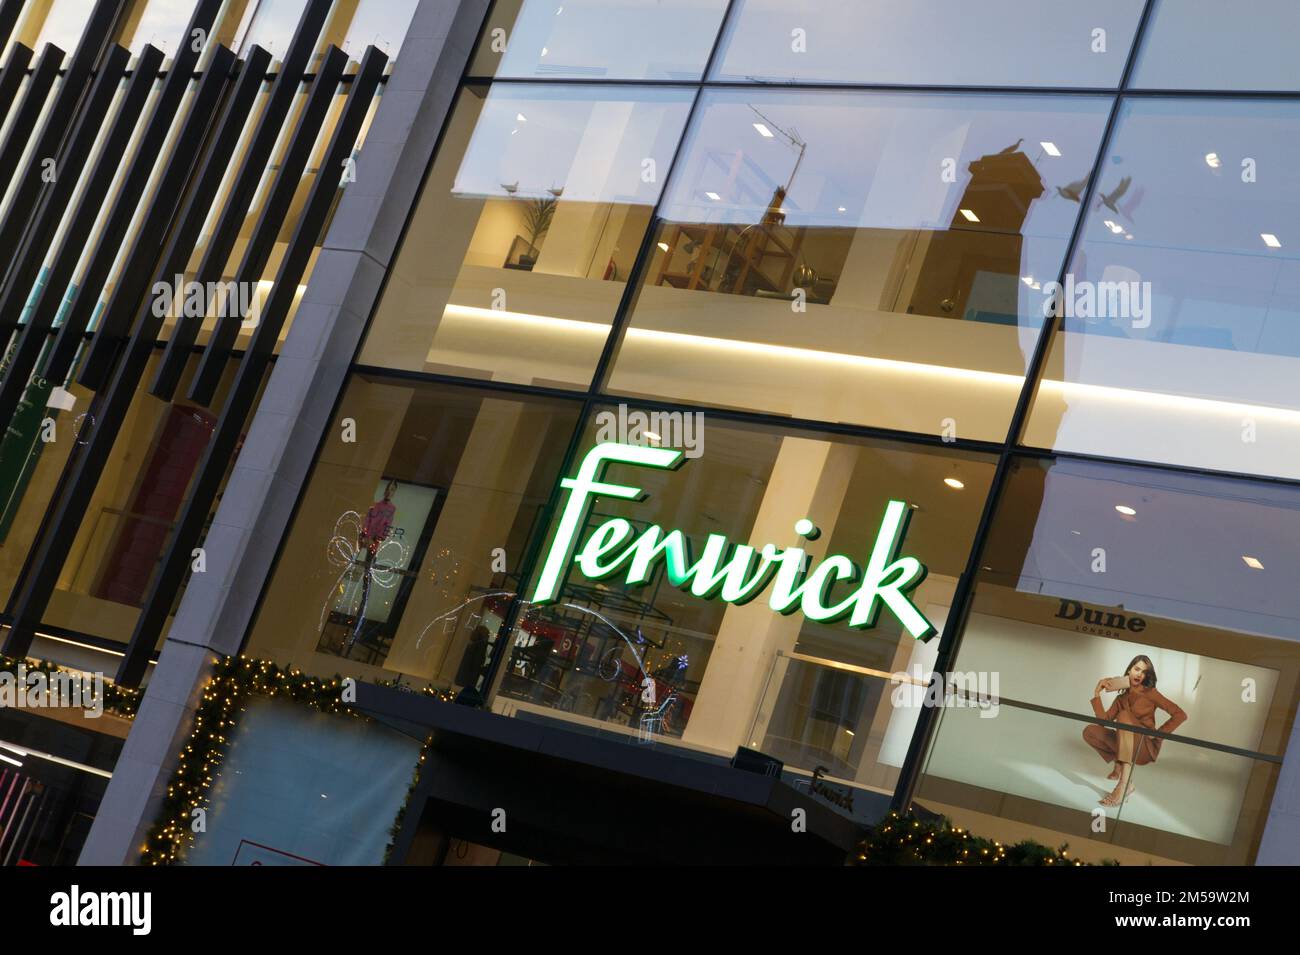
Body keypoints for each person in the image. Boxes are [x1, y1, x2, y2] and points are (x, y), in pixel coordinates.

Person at [1083, 654, 1187, 807]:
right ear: (1129, 671)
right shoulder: (1121, 699)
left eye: (1144, 672)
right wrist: (1097, 693)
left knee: (1124, 715)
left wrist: (1157, 735)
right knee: (1090, 731)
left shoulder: (1150, 693)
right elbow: (1103, 722)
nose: (1139, 674)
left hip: (1144, 748)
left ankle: (1123, 784)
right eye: (1137, 669)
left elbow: (1180, 715)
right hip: (1126, 745)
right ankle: (1122, 767)